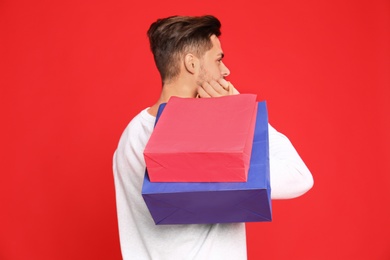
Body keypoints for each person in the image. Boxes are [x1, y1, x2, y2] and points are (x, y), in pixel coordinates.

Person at [113, 15, 314, 260]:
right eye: (218, 59)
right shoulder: (208, 138)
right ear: (192, 64)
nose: (226, 70)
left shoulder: (130, 135)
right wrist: (240, 111)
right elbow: (300, 176)